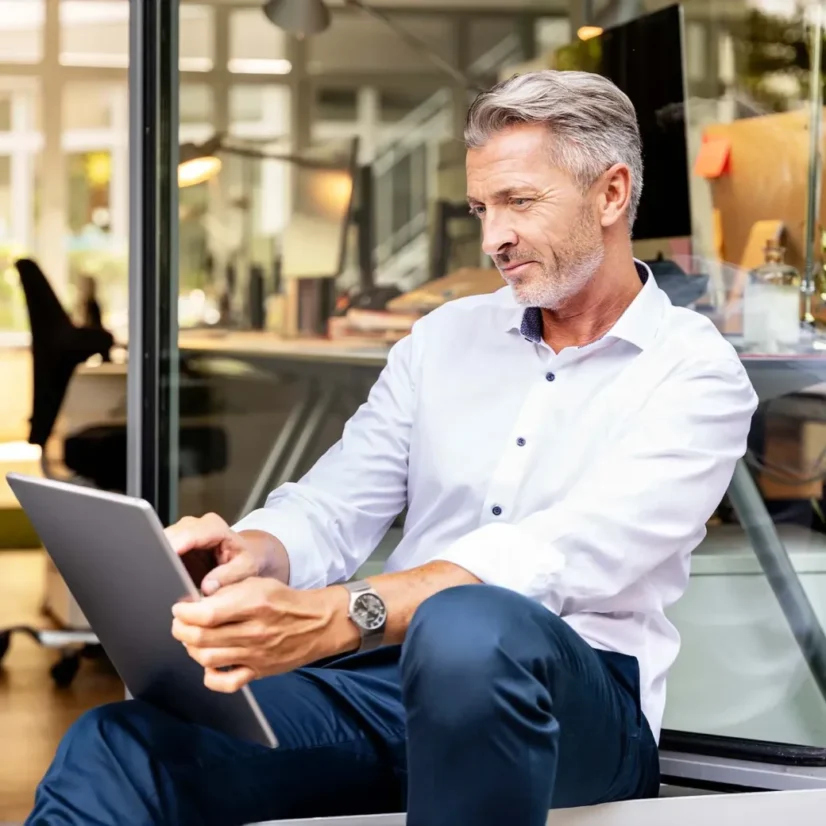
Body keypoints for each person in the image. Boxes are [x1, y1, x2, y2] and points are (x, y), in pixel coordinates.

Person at [27, 70, 758, 826]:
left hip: (580, 705)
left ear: (610, 194)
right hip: (390, 683)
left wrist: (343, 613)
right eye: (481, 209)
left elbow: (555, 555)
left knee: (469, 628)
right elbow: (335, 502)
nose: (493, 239)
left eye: (518, 201)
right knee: (119, 744)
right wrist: (254, 552)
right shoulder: (444, 338)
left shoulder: (694, 372)